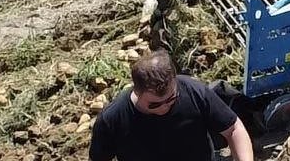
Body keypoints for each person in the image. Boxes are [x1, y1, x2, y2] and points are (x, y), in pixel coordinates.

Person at [89, 50, 255, 161]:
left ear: (175, 82)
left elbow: (233, 128)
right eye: (154, 105)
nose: (164, 108)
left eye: (171, 99)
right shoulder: (112, 119)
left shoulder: (193, 91)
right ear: (137, 92)